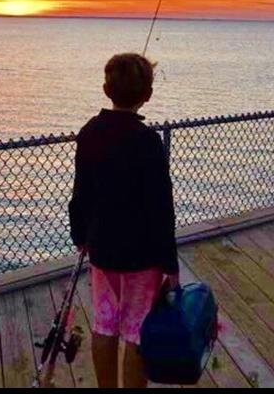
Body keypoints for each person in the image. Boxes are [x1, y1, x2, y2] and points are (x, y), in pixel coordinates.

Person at [69, 52, 179, 389]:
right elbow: (162, 210)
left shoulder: (89, 132)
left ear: (106, 90)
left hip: (102, 249)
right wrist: (170, 267)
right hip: (142, 257)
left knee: (104, 326)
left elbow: (81, 193)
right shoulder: (148, 142)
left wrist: (81, 236)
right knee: (136, 332)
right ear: (147, 94)